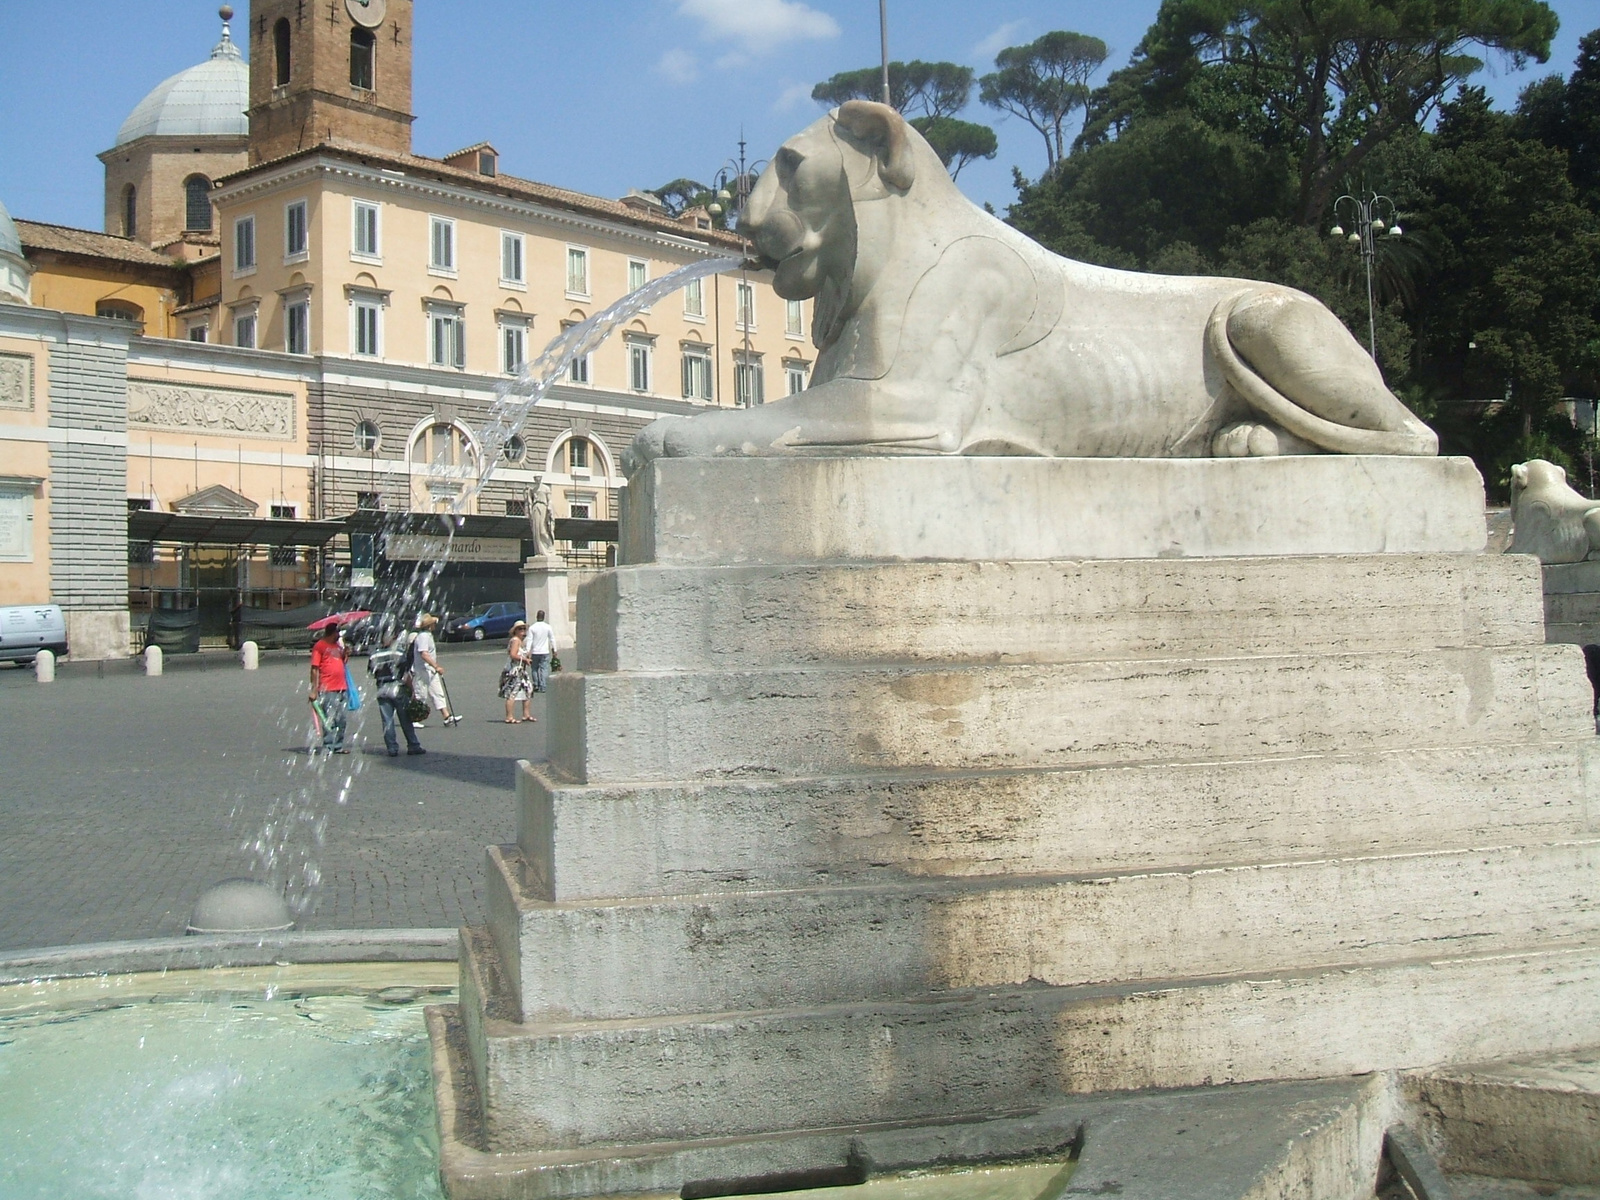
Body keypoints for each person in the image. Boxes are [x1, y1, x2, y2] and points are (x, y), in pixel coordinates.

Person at [369, 622, 424, 756]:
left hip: (382, 688)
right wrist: (412, 691)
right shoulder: (398, 652)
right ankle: (413, 745)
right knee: (405, 718)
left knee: (387, 721)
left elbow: (371, 672)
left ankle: (392, 748)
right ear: (393, 637)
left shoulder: (374, 654)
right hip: (397, 687)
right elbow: (406, 674)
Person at [308, 622, 351, 754]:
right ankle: (328, 745)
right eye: (338, 632)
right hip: (327, 688)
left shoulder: (337, 646)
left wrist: (346, 653)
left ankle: (338, 744)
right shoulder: (320, 646)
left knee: (342, 718)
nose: (339, 635)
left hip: (341, 687)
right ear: (332, 633)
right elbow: (314, 669)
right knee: (329, 718)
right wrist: (314, 689)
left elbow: (342, 662)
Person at [412, 614, 461, 726]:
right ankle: (415, 719)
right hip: (422, 670)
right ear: (430, 625)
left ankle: (447, 716)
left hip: (430, 670)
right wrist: (436, 666)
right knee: (421, 694)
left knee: (437, 693)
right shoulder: (423, 636)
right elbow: (424, 654)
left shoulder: (428, 635)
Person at [499, 619, 535, 723]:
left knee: (528, 690)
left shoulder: (520, 641)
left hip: (521, 670)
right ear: (515, 631)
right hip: (514, 671)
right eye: (520, 629)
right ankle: (509, 716)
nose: (523, 631)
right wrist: (525, 659)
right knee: (512, 693)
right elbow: (513, 655)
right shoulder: (515, 640)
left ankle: (526, 714)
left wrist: (527, 655)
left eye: (524, 628)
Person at [526, 608, 555, 695]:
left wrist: (527, 651)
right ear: (544, 617)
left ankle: (536, 684)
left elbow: (529, 640)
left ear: (536, 617)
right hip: (544, 651)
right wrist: (554, 649)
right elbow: (552, 639)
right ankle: (543, 685)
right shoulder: (548, 627)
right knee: (544, 668)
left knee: (534, 668)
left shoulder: (532, 628)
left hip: (535, 651)